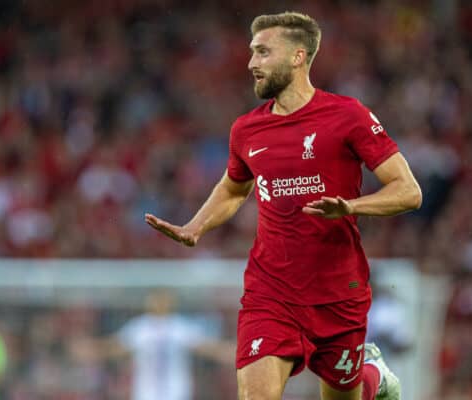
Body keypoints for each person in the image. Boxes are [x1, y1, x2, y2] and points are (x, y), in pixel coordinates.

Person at [145, 11, 422, 400]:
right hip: (270, 292)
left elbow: (408, 191)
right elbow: (233, 187)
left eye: (262, 52)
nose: (251, 63)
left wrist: (351, 206)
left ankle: (372, 377)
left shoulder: (347, 116)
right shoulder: (246, 129)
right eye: (251, 53)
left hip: (338, 293)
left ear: (297, 56)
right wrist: (196, 226)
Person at [81, 289, 234, 400]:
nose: (159, 303)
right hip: (146, 393)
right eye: (156, 299)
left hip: (176, 392)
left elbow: (206, 347)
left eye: (163, 299)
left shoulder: (179, 326)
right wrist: (93, 350)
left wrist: (227, 352)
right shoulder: (141, 327)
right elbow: (115, 347)